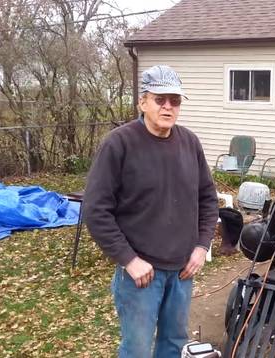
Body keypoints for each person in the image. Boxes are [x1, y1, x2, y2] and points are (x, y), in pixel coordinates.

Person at [83, 65, 219, 358]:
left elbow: (208, 199)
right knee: (138, 350)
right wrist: (129, 260)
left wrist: (201, 246)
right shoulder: (119, 144)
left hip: (182, 271)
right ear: (142, 102)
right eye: (160, 99)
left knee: (173, 344)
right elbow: (95, 210)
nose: (168, 106)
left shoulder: (189, 143)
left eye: (175, 100)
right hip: (141, 275)